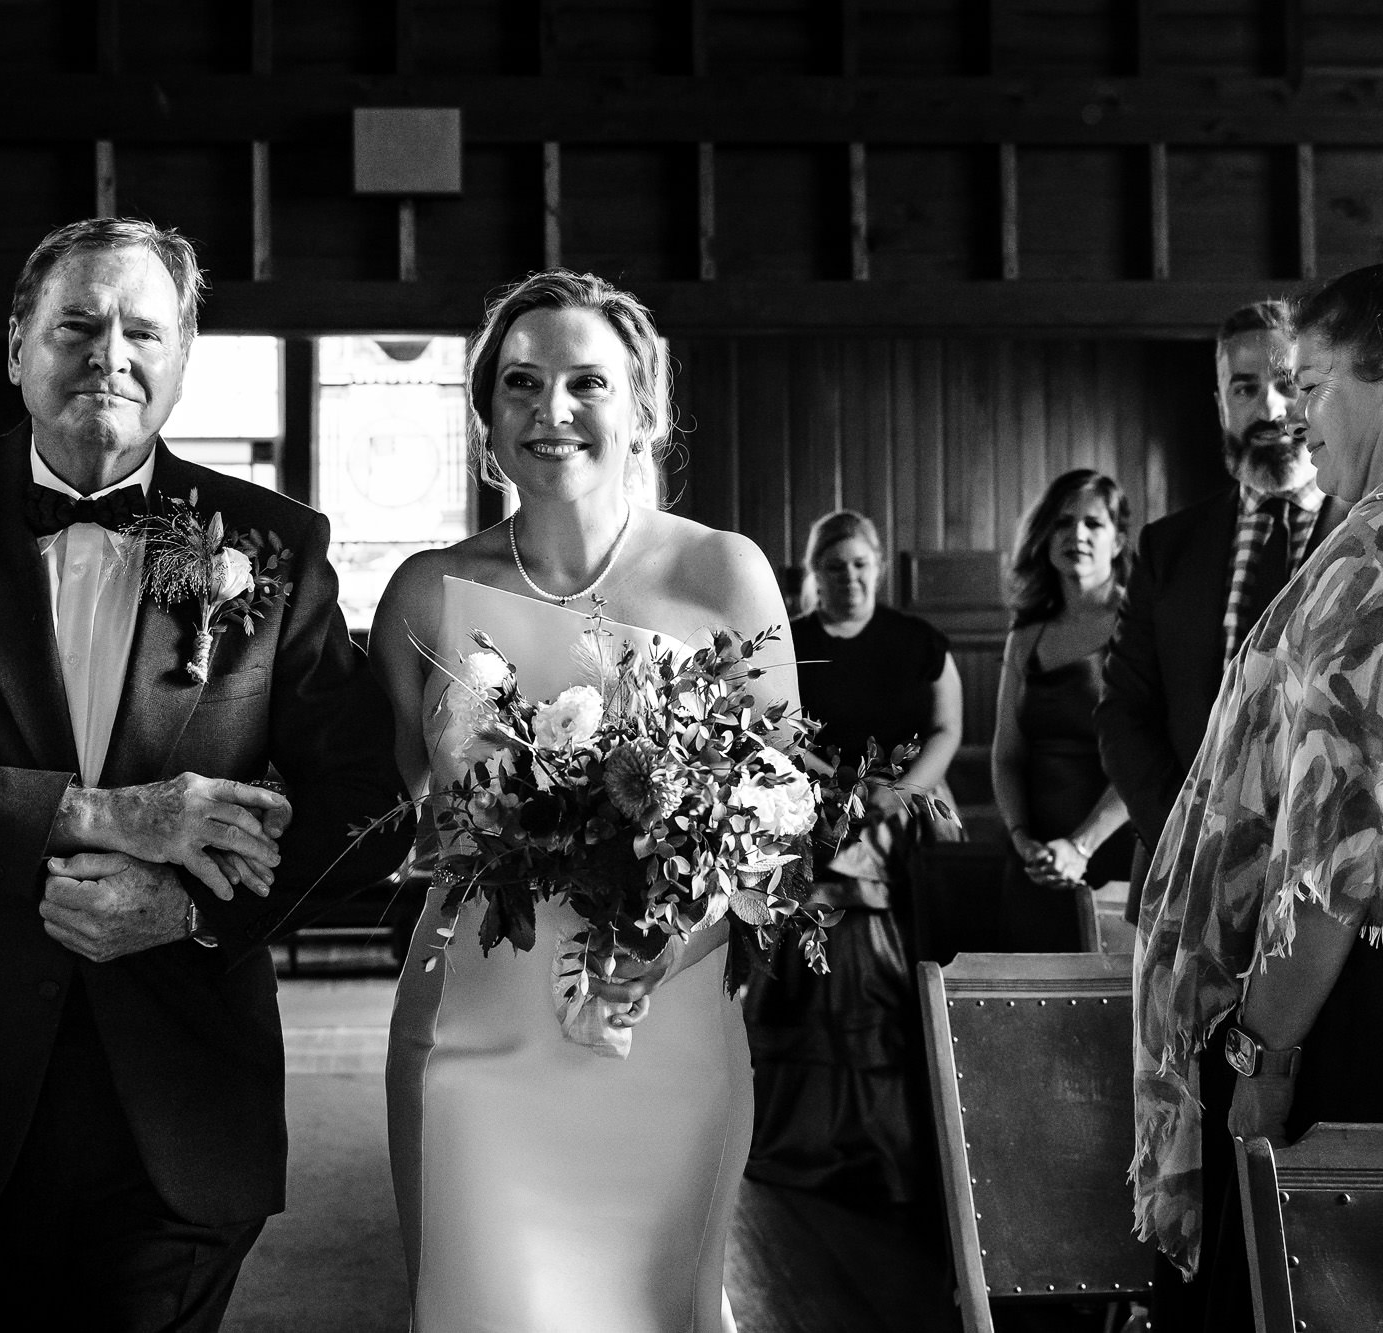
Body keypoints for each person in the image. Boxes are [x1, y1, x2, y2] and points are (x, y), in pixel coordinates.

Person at [0, 218, 407, 1328]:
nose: (107, 352)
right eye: (75, 322)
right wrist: (101, 813)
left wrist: (191, 912)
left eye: (142, 329)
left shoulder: (273, 547)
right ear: (16, 346)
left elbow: (367, 811)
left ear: (179, 360)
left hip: (178, 1103)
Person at [371, 270, 786, 1329]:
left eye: (584, 383)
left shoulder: (720, 577)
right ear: (486, 419)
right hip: (471, 1027)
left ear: (641, 406)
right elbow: (417, 804)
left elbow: (779, 820)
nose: (550, 412)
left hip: (660, 1019)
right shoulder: (422, 592)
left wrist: (667, 935)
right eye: (519, 383)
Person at [1133, 266, 1383, 1326]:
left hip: (1339, 1017)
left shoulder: (1366, 565)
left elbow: (1337, 857)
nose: (1294, 414)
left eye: (1316, 381)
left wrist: (1262, 1052)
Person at [743, 507, 962, 1208]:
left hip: (902, 821)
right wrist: (840, 792)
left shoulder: (916, 640)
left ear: (879, 567)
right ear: (816, 574)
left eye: (861, 564)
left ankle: (891, 1142)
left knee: (883, 978)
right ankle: (808, 1141)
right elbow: (775, 726)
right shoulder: (793, 643)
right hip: (812, 815)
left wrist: (899, 793)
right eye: (834, 566)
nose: (850, 577)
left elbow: (947, 725)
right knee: (811, 969)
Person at [989, 469, 1137, 951]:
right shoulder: (1025, 635)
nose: (1076, 535)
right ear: (1045, 536)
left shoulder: (1140, 625)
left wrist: (1080, 847)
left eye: (1093, 523)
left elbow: (1152, 756)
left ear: (1118, 540)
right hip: (1035, 861)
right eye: (1062, 522)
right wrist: (1022, 839)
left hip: (1118, 854)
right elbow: (1007, 755)